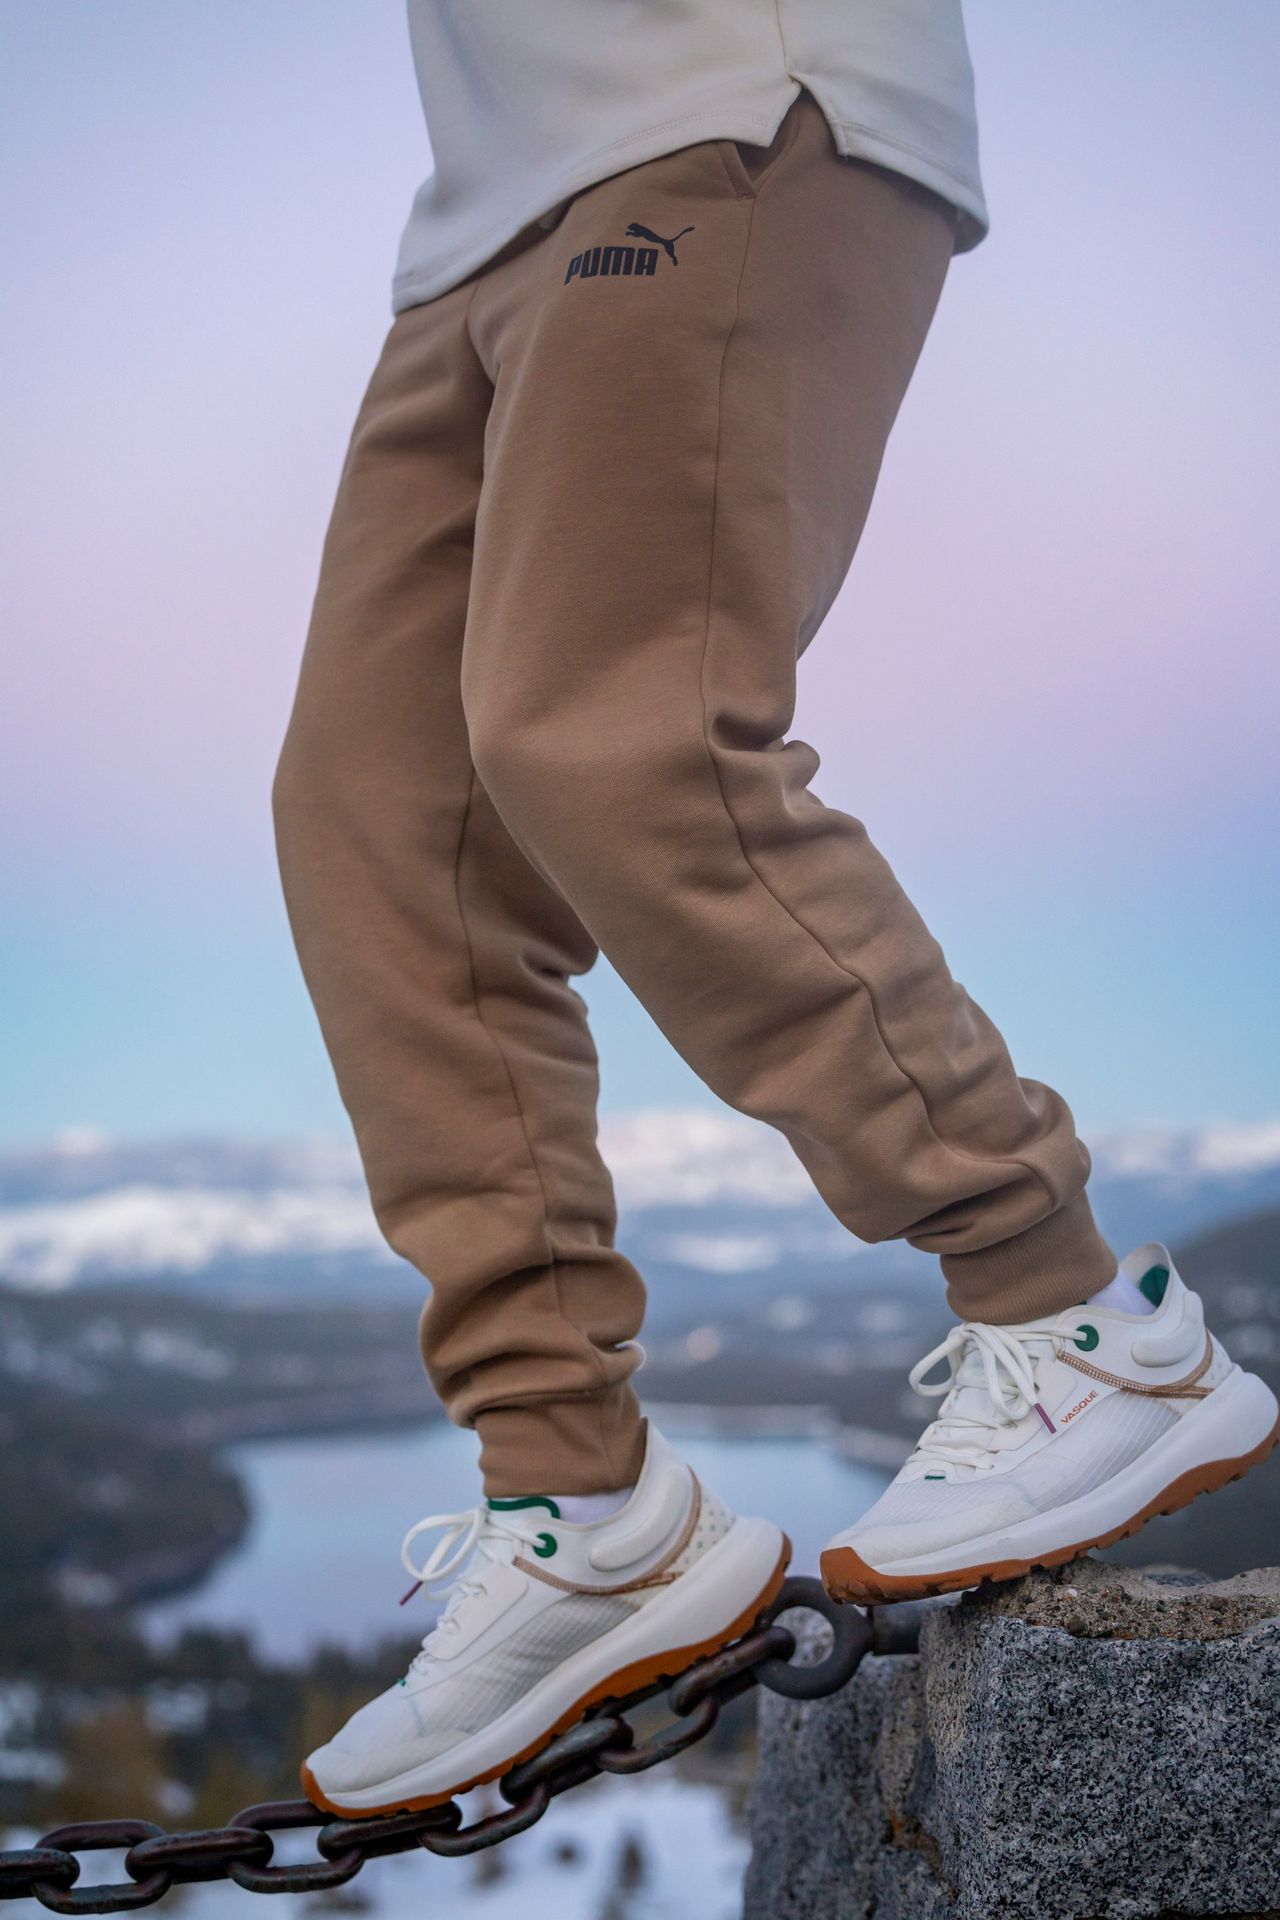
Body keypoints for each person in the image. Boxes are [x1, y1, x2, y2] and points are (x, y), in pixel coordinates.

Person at [272, 1, 1278, 1818]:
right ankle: (582, 1506)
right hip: (473, 221)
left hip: (724, 100)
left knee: (617, 733)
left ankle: (1080, 1322)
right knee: (377, 829)